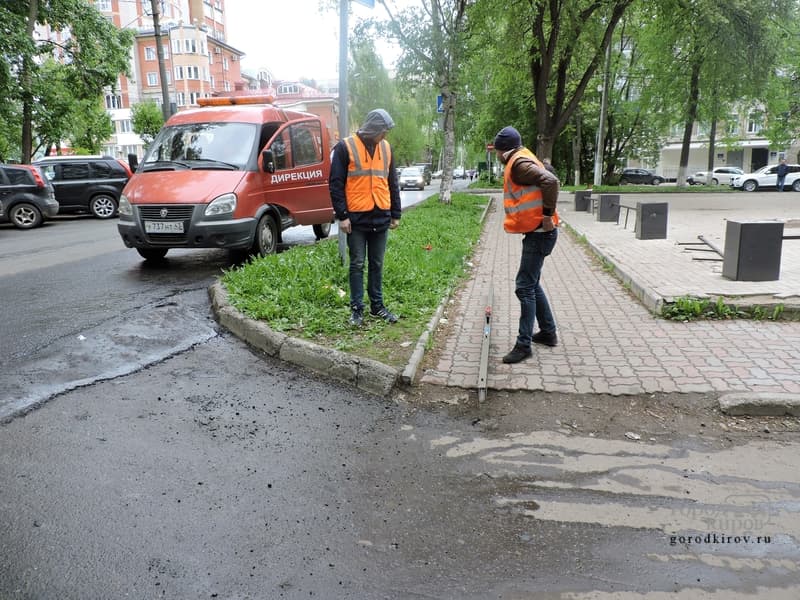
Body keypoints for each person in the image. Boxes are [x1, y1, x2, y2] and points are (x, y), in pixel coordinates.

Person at [493, 126, 561, 364]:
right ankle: (548, 333)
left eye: (497, 152)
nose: (497, 157)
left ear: (504, 151)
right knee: (532, 283)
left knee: (524, 287)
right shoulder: (523, 157)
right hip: (539, 233)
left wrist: (546, 215)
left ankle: (523, 346)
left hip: (541, 232)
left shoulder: (519, 164)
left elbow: (551, 181)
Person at [329, 109, 402, 327]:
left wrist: (396, 213)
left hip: (381, 216)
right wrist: (342, 216)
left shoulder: (386, 149)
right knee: (357, 264)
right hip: (356, 218)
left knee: (377, 264)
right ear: (373, 129)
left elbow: (392, 183)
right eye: (383, 132)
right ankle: (356, 310)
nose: (385, 137)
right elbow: (335, 184)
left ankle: (377, 306)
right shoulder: (345, 147)